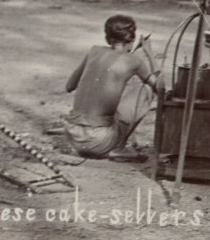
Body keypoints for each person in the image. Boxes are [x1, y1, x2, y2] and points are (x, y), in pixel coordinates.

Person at [63, 14, 161, 160]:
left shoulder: (94, 51)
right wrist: (149, 53)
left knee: (108, 103)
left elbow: (69, 86)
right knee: (145, 89)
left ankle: (107, 142)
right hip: (99, 142)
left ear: (108, 38)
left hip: (73, 136)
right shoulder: (134, 61)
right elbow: (161, 88)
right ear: (132, 39)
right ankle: (118, 148)